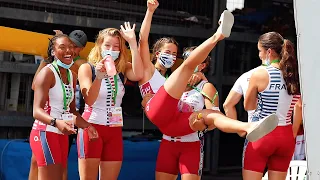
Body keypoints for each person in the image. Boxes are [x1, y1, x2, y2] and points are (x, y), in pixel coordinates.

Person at [142, 10, 279, 177]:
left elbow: (214, 121)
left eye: (174, 54)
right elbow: (142, 44)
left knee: (210, 115)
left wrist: (203, 124)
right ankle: (218, 35)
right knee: (186, 72)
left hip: (186, 131)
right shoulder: (156, 72)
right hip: (165, 128)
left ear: (204, 65)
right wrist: (149, 12)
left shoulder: (205, 86)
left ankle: (249, 126)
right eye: (185, 57)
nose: (173, 57)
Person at [76, 22, 143, 180]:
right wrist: (99, 77)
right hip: (91, 128)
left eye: (116, 47)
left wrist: (133, 42)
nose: (111, 50)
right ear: (99, 45)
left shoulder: (122, 68)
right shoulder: (87, 68)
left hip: (114, 130)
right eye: (107, 45)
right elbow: (89, 100)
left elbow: (139, 74)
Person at [30, 34, 98, 180]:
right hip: (45, 132)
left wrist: (87, 126)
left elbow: (71, 111)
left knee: (61, 176)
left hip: (61, 134)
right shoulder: (47, 72)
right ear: (53, 52)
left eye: (71, 47)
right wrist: (56, 122)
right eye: (62, 47)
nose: (69, 51)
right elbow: (36, 111)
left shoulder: (72, 75)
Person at [243, 32, 301, 180]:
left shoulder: (260, 73)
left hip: (262, 133)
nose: (259, 55)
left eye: (260, 51)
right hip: (286, 136)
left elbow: (248, 106)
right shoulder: (294, 75)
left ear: (269, 52)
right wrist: (292, 133)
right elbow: (299, 106)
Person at [138, 0, 206, 99]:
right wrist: (150, 11)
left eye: (174, 54)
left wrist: (199, 74)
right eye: (167, 52)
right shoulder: (148, 69)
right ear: (157, 53)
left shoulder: (172, 77)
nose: (171, 56)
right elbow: (143, 41)